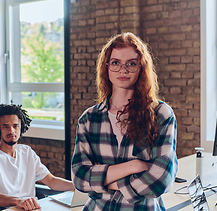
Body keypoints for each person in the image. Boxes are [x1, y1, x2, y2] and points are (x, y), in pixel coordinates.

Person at [71, 32, 178, 210]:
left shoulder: (161, 114)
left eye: (131, 64)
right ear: (106, 67)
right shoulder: (89, 119)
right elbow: (79, 178)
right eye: (115, 63)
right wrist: (134, 166)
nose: (123, 70)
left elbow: (160, 181)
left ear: (141, 67)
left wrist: (104, 179)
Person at [0, 104, 74, 210]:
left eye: (15, 126)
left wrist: (79, 186)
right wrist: (19, 201)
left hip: (31, 208)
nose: (11, 131)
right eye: (5, 126)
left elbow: (51, 181)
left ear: (21, 127)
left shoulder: (27, 152)